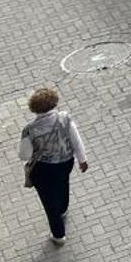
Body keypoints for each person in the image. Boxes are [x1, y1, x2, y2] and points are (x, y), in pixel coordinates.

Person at [19, 87, 88, 245]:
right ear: (54, 102)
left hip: (44, 169)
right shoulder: (65, 118)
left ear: (34, 108)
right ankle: (63, 209)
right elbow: (76, 141)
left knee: (49, 201)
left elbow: (24, 155)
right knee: (63, 183)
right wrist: (82, 160)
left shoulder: (29, 130)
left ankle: (58, 235)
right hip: (65, 162)